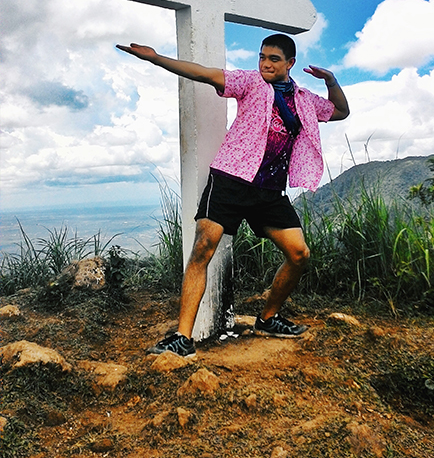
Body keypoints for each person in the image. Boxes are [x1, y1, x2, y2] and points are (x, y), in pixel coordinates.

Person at [117, 34, 349, 358]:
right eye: (262, 57)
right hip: (231, 180)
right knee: (203, 247)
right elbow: (203, 73)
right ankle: (182, 337)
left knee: (299, 255)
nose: (266, 64)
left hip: (269, 190)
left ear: (290, 63)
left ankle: (268, 319)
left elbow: (340, 111)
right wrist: (157, 58)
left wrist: (332, 81)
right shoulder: (250, 83)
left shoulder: (305, 100)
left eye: (274, 59)